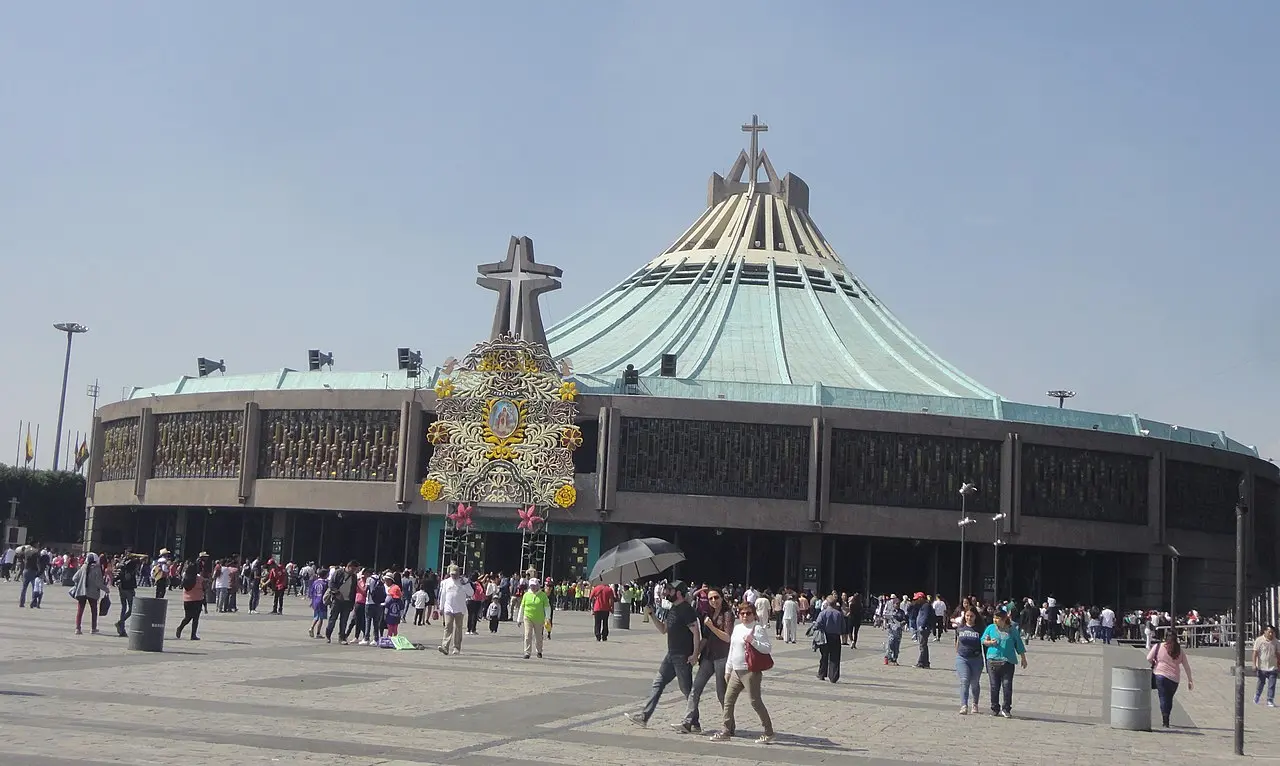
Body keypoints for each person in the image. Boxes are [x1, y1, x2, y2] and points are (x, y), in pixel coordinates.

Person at [625, 581, 701, 728]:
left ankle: (694, 722)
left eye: (670, 590)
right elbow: (664, 629)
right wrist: (652, 615)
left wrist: (695, 654)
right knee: (658, 684)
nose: (666, 592)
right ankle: (644, 717)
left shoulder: (686, 610)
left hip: (682, 657)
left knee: (686, 690)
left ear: (678, 593)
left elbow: (696, 632)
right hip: (671, 656)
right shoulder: (673, 608)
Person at [709, 601, 775, 743]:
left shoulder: (757, 629)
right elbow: (732, 649)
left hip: (750, 671)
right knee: (728, 700)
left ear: (753, 614)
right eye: (742, 613)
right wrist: (728, 669)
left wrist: (753, 641)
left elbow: (767, 648)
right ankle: (726, 731)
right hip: (736, 671)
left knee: (755, 702)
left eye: (748, 613)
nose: (745, 616)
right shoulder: (738, 628)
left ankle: (768, 732)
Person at [674, 588, 733, 734]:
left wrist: (711, 626)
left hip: (721, 657)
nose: (714, 601)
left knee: (721, 693)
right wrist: (696, 653)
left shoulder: (727, 614)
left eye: (716, 597)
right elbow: (705, 638)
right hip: (707, 657)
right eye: (711, 598)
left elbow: (727, 637)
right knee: (695, 689)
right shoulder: (709, 614)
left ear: (722, 598)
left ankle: (729, 725)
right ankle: (688, 722)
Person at [981, 608, 1027, 718]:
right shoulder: (990, 628)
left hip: (1007, 662)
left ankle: (1006, 708)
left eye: (997, 618)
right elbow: (983, 640)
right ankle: (994, 708)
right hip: (992, 661)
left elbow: (1019, 645)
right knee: (994, 686)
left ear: (1004, 619)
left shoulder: (1012, 630)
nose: (995, 620)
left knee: (1007, 686)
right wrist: (989, 642)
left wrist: (1023, 658)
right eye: (994, 618)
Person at [1148, 632, 1193, 727]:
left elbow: (1148, 658)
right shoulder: (1179, 650)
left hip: (1160, 675)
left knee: (1163, 697)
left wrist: (1155, 662)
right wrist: (1190, 680)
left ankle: (1165, 720)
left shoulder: (1158, 646)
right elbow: (1186, 666)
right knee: (1169, 698)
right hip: (1174, 679)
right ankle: (1167, 716)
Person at [954, 607, 984, 714]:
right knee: (965, 680)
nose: (969, 618)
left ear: (975, 616)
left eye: (971, 616)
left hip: (976, 659)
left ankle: (975, 703)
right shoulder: (960, 627)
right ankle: (964, 705)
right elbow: (957, 641)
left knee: (974, 682)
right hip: (962, 658)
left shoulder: (980, 629)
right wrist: (957, 653)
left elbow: (984, 644)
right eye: (967, 616)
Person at [70, 553, 106, 635]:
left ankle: (78, 628)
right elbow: (99, 583)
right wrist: (106, 589)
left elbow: (74, 578)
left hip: (81, 592)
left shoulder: (83, 567)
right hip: (93, 593)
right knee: (94, 611)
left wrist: (81, 582)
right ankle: (93, 628)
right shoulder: (97, 569)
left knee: (80, 611)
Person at [437, 564, 469, 655]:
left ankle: (456, 647)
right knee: (447, 626)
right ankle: (445, 647)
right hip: (448, 608)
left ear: (459, 573)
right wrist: (441, 607)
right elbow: (443, 595)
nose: (453, 576)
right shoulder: (445, 582)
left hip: (460, 608)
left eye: (455, 574)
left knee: (458, 628)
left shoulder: (464, 581)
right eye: (452, 574)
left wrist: (465, 585)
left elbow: (471, 593)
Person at [516, 577, 550, 659]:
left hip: (539, 618)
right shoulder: (526, 595)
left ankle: (539, 651)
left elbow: (547, 607)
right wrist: (519, 619)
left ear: (538, 586)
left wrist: (547, 618)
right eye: (531, 586)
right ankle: (527, 652)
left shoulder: (543, 595)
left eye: (534, 585)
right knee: (527, 634)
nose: (533, 587)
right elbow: (522, 607)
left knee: (538, 636)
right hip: (528, 617)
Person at [812, 596, 844, 683]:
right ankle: (833, 677)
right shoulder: (839, 614)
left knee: (824, 656)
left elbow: (817, 625)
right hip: (836, 637)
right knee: (835, 657)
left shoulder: (823, 613)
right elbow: (843, 627)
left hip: (825, 637)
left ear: (827, 603)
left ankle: (822, 674)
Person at [175, 558, 206, 640]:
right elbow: (204, 589)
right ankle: (193, 635)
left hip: (187, 600)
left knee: (187, 617)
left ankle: (180, 627)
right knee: (196, 618)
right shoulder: (199, 578)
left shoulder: (185, 578)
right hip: (198, 600)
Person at [1254, 625, 1279, 707]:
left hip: (1273, 667)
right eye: (1269, 632)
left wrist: (1279, 664)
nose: (1271, 634)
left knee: (1272, 685)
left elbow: (1278, 654)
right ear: (1265, 632)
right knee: (1261, 684)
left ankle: (1270, 700)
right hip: (1262, 667)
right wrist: (1254, 664)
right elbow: (1255, 653)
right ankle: (1257, 696)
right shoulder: (1259, 640)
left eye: (1272, 632)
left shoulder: (1276, 642)